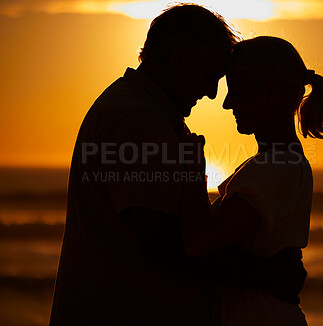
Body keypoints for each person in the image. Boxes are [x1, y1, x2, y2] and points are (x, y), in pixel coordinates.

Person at [50, 4, 307, 325]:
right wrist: (267, 275)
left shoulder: (144, 114)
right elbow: (167, 249)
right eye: (209, 75)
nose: (214, 94)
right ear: (177, 54)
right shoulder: (138, 120)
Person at [181, 36, 323, 326]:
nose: (226, 104)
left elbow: (200, 242)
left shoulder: (277, 168)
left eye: (236, 93)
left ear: (268, 93)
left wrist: (192, 172)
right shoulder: (276, 163)